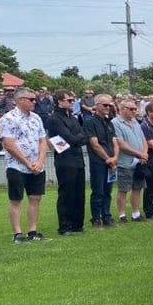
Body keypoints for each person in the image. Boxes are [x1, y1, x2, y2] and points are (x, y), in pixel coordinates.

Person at [0, 87, 49, 242]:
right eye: (31, 99)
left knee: (35, 197)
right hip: (17, 166)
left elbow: (42, 140)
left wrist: (40, 161)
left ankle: (32, 231)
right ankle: (17, 233)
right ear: (20, 100)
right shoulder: (8, 118)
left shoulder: (36, 118)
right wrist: (27, 163)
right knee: (16, 199)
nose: (35, 102)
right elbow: (9, 144)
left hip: (36, 166)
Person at [46, 90, 88, 235]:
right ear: (59, 101)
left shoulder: (73, 118)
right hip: (65, 160)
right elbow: (70, 138)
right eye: (69, 100)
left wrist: (76, 138)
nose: (72, 103)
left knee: (79, 193)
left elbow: (83, 135)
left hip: (77, 159)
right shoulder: (54, 119)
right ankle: (65, 226)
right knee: (66, 194)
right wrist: (77, 138)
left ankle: (77, 224)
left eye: (73, 100)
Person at [83, 94, 119, 228]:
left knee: (108, 191)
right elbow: (95, 144)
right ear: (96, 105)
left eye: (109, 105)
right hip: (98, 162)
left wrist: (114, 158)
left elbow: (115, 142)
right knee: (98, 191)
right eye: (105, 105)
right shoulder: (90, 122)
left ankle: (107, 216)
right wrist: (108, 159)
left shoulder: (109, 122)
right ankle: (96, 218)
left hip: (111, 162)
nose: (108, 107)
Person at [112, 98, 150, 222]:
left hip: (139, 161)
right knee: (123, 189)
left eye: (135, 108)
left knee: (137, 188)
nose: (135, 111)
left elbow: (144, 140)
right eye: (132, 109)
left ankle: (136, 213)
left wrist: (144, 153)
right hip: (125, 162)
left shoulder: (135, 122)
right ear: (122, 109)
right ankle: (122, 215)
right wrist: (140, 154)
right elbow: (121, 144)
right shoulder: (115, 123)